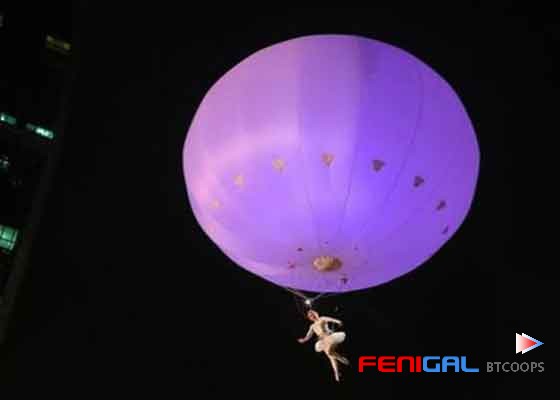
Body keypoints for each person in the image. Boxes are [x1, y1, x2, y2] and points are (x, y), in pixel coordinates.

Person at [297, 309, 349, 381]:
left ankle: (342, 359)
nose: (312, 316)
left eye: (312, 314)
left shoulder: (322, 318)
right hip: (323, 342)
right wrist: (303, 340)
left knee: (330, 352)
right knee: (330, 357)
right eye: (310, 316)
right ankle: (336, 373)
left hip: (329, 338)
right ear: (309, 318)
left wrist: (338, 321)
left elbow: (331, 319)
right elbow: (308, 336)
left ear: (315, 314)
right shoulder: (312, 326)